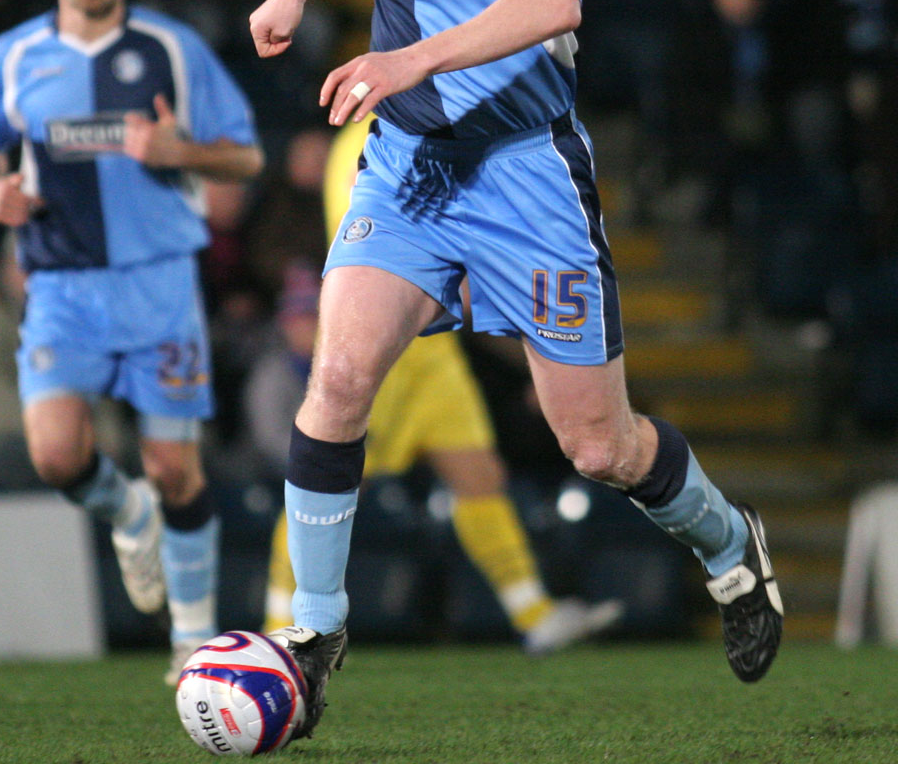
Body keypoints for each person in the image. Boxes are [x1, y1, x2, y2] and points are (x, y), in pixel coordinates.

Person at [246, 0, 782, 741]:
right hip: (408, 171)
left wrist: (407, 59)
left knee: (597, 447)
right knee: (340, 375)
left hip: (523, 176)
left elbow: (553, 1)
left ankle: (729, 545)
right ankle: (313, 638)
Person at [0, 0, 263, 685]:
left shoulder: (172, 48)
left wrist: (180, 150)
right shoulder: (16, 55)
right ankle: (126, 514)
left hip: (159, 283)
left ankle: (191, 641)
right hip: (61, 284)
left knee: (175, 468)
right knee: (58, 454)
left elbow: (246, 157)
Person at [255, 113, 623, 652]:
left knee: (478, 474)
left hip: (435, 356)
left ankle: (534, 614)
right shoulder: (379, 138)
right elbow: (404, 245)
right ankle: (278, 626)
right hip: (387, 344)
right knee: (330, 481)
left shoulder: (407, 130)